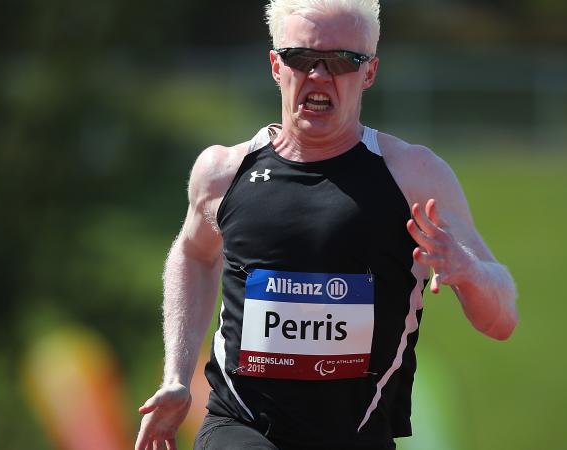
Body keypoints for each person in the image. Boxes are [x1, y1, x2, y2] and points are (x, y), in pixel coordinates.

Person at [135, 1, 518, 449]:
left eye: (342, 61)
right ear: (276, 65)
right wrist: (177, 378)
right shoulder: (223, 172)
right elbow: (194, 255)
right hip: (240, 425)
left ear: (370, 72)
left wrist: (468, 272)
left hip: (356, 435)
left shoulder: (414, 177)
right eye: (301, 57)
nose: (319, 74)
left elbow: (502, 319)